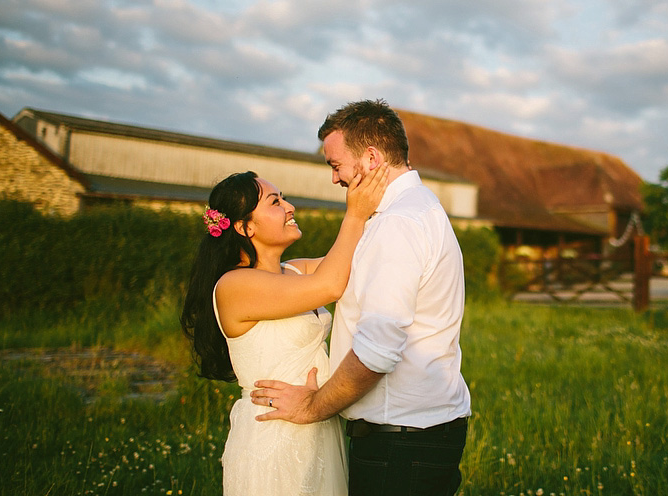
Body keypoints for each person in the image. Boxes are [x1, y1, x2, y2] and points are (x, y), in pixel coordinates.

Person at [250, 99, 471, 496]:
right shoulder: (416, 210)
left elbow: (378, 352)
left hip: (400, 442)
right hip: (417, 435)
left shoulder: (398, 224)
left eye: (336, 166)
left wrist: (311, 407)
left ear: (370, 158)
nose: (334, 179)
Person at [180, 164, 388, 496]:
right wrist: (354, 214)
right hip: (275, 434)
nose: (290, 207)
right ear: (245, 226)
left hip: (318, 423)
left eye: (284, 199)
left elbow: (361, 256)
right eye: (276, 202)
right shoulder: (234, 286)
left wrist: (382, 195)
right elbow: (331, 286)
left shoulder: (294, 270)